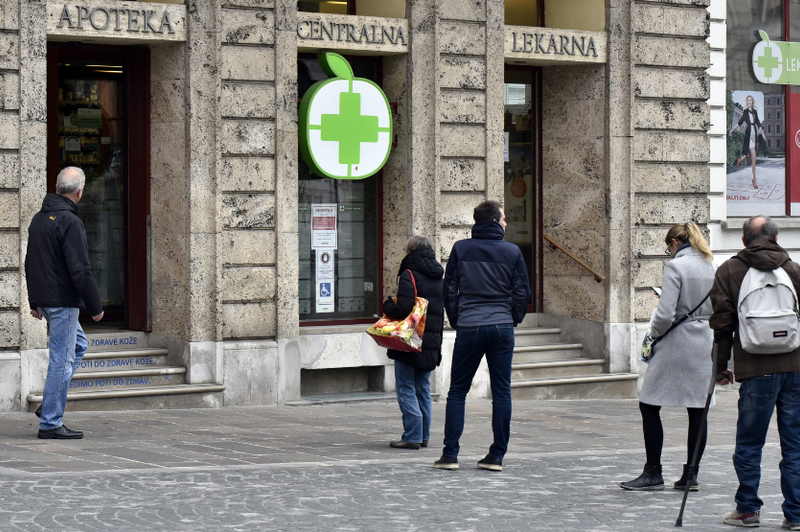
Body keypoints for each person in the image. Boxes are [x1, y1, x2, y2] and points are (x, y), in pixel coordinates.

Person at [709, 215, 800, 529]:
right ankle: (796, 514)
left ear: (744, 240)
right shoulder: (792, 269)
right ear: (775, 238)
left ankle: (747, 510)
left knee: (749, 443)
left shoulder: (730, 270)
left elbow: (722, 325)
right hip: (795, 368)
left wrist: (719, 367)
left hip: (754, 369)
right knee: (795, 444)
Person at [434, 200, 531, 471]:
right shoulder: (512, 251)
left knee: (457, 391)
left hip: (470, 325)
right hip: (501, 326)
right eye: (503, 218)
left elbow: (449, 289)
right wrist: (512, 318)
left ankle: (450, 454)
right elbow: (523, 292)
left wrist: (457, 320)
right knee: (502, 392)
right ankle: (497, 455)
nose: (505, 222)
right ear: (494, 221)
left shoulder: (461, 249)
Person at [620, 222, 716, 491]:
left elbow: (664, 314)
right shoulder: (711, 264)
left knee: (649, 404)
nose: (669, 252)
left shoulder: (676, 266)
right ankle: (691, 474)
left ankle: (653, 471)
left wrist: (654, 335)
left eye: (668, 247)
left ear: (675, 242)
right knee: (698, 409)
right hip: (704, 341)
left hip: (677, 342)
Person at [26, 166, 104, 440]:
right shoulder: (70, 222)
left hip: (47, 301)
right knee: (62, 360)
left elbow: (30, 263)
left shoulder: (39, 219)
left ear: (58, 187)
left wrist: (35, 300)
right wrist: (95, 307)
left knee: (79, 346)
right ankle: (50, 422)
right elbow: (80, 269)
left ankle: (51, 401)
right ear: (79, 192)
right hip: (62, 302)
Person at [382, 236, 444, 450]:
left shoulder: (409, 273)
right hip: (431, 340)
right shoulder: (438, 274)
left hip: (410, 340)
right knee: (422, 387)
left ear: (410, 251)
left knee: (406, 386)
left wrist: (388, 305)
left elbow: (404, 306)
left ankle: (412, 436)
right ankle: (423, 435)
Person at [729, 95, 767, 190]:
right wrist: (732, 130)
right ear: (747, 102)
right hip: (749, 135)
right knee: (754, 156)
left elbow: (758, 124)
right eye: (748, 100)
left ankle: (740, 160)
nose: (749, 102)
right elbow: (740, 122)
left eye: (751, 100)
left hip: (754, 135)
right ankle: (754, 179)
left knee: (749, 156)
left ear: (753, 102)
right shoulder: (745, 112)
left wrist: (762, 134)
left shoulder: (754, 112)